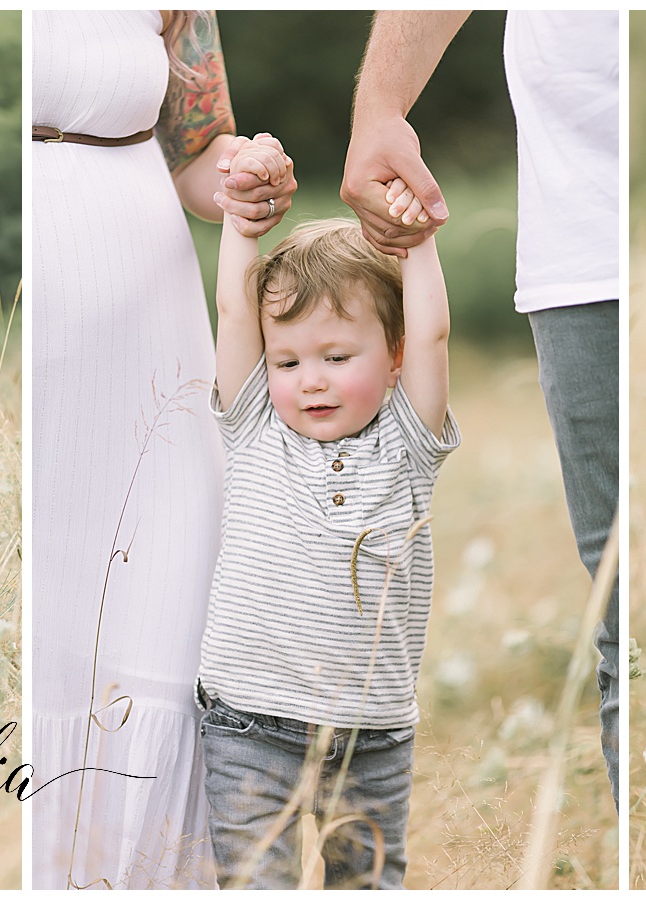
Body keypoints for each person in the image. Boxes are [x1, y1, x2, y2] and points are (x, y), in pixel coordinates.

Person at [31, 10, 296, 889]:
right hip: (24, 318)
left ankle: (155, 871)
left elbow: (196, 148)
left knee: (167, 591)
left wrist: (245, 176)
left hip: (152, 324)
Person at [341, 10, 621, 805]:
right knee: (622, 604)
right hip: (581, 243)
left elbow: (428, 342)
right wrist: (381, 106)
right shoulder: (261, 426)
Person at [198, 170, 458, 888]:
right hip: (250, 724)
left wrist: (418, 243)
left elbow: (434, 329)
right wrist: (240, 229)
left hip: (371, 735)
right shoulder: (254, 427)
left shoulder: (409, 443)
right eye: (288, 361)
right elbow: (231, 310)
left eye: (337, 358)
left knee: (368, 885)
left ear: (394, 354)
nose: (309, 379)